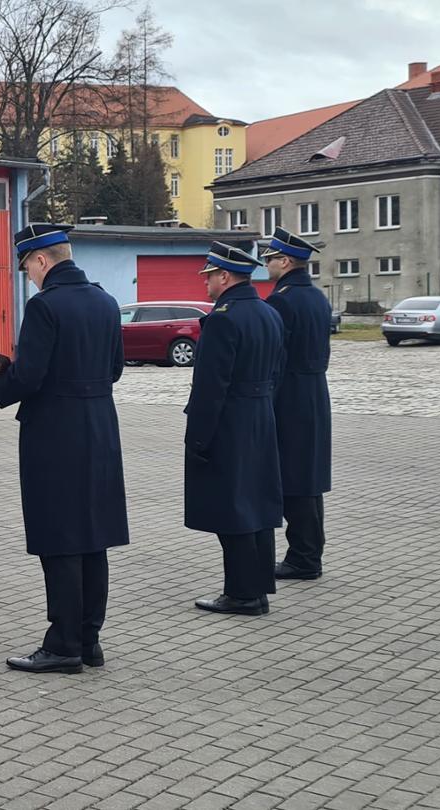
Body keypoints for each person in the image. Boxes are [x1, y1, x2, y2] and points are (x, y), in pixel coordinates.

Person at [0, 224, 129, 674]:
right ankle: (89, 640)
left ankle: (62, 644)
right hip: (100, 427)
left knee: (61, 536)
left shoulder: (44, 306)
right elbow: (116, 368)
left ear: (42, 260)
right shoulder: (105, 301)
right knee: (92, 537)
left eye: (27, 265)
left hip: (56, 432)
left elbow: (28, 378)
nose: (27, 274)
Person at [187, 242, 286, 615]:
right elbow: (277, 370)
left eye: (209, 276)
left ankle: (243, 593)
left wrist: (198, 438)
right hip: (261, 416)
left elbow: (210, 387)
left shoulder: (223, 318)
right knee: (257, 506)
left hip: (230, 422)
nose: (206, 284)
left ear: (224, 276)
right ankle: (256, 588)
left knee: (233, 509)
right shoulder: (267, 312)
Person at [260, 227, 334, 581]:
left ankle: (303, 557)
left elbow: (276, 357)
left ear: (285, 261)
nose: (267, 265)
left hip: (289, 394)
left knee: (292, 478)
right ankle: (308, 552)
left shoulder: (282, 300)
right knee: (309, 476)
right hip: (315, 391)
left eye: (271, 259)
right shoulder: (317, 297)